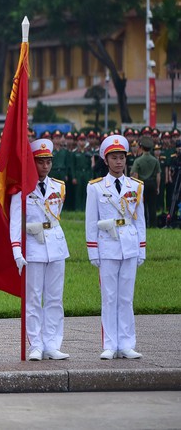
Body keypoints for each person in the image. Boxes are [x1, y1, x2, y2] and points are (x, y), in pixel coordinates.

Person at [86, 135, 146, 360]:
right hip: (108, 246)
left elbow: (140, 220)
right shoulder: (96, 187)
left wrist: (142, 248)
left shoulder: (136, 186)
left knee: (126, 297)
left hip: (129, 245)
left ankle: (127, 343)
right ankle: (110, 344)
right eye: (114, 158)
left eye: (122, 157)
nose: (119, 162)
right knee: (109, 297)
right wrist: (93, 250)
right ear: (106, 160)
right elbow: (91, 221)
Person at [10, 139, 70, 361]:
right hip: (33, 247)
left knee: (55, 298)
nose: (45, 166)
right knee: (33, 298)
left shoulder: (59, 186)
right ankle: (36, 344)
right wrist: (17, 250)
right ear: (32, 163)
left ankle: (53, 344)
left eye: (48, 161)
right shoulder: (22, 190)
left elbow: (55, 217)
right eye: (40, 162)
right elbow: (15, 221)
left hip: (55, 244)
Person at [130, 136, 161, 228]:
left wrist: (135, 188)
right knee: (152, 206)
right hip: (152, 184)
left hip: (142, 185)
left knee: (142, 206)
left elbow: (135, 175)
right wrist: (158, 187)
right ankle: (153, 225)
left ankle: (144, 225)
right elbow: (158, 175)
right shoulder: (155, 160)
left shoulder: (138, 160)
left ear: (141, 147)